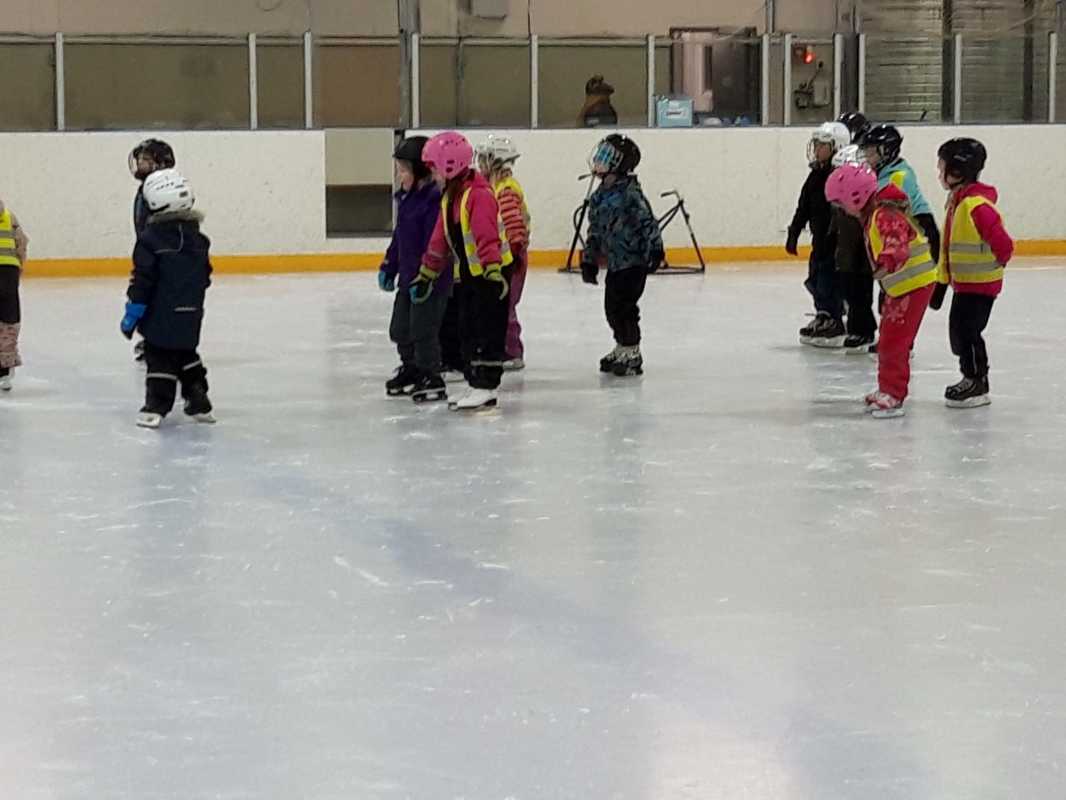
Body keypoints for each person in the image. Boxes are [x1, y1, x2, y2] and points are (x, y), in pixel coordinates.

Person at [825, 163, 937, 419]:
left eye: (841, 204)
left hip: (913, 285)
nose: (841, 210)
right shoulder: (875, 215)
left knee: (895, 341)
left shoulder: (883, 215)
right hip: (902, 286)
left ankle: (893, 394)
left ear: (855, 198)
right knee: (887, 339)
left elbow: (897, 244)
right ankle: (887, 388)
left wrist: (887, 261)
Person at [414, 131, 513, 412]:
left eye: (434, 168)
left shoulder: (477, 195)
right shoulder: (450, 197)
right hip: (471, 276)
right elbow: (439, 240)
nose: (432, 175)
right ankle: (475, 382)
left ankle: (486, 386)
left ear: (449, 166)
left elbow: (486, 236)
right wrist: (427, 272)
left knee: (487, 330)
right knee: (467, 328)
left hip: (492, 275)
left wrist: (492, 270)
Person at [120, 169, 214, 429]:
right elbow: (205, 276)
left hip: (160, 312)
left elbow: (143, 281)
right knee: (184, 351)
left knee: (159, 354)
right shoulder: (199, 240)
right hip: (192, 310)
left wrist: (132, 314)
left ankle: (156, 406)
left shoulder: (149, 240)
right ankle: (198, 398)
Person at [932, 137, 1013, 409]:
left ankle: (977, 380)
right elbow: (948, 247)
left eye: (942, 167)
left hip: (980, 287)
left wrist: (994, 267)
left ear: (957, 171)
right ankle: (970, 376)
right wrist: (941, 283)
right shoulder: (957, 202)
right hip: (964, 285)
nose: (939, 172)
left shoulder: (976, 205)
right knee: (958, 333)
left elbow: (1004, 245)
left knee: (968, 332)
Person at [580, 134, 662, 377]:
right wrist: (589, 259)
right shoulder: (598, 196)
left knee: (625, 307)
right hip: (615, 263)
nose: (599, 161)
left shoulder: (630, 193)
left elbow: (648, 222)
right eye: (600, 155)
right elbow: (595, 230)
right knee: (611, 308)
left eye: (606, 157)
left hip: (633, 262)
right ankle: (622, 346)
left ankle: (632, 351)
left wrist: (655, 248)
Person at [379, 136, 448, 403]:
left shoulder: (433, 202)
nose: (400, 176)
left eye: (404, 170)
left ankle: (431, 375)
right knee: (400, 328)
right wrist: (389, 265)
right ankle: (411, 368)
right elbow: (400, 238)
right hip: (408, 279)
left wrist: (428, 275)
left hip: (430, 281)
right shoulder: (406, 200)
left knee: (423, 331)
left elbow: (436, 244)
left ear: (420, 171)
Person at [787, 122, 850, 347]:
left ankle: (835, 317)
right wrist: (794, 231)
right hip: (820, 239)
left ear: (836, 147)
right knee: (815, 277)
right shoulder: (815, 175)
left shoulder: (841, 176)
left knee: (830, 280)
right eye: (816, 144)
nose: (817, 149)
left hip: (836, 241)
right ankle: (823, 313)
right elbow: (803, 205)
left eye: (822, 145)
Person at [476, 135, 530, 371]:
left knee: (505, 304)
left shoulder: (505, 190)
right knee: (498, 302)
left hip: (511, 257)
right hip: (506, 255)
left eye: (484, 159)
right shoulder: (495, 187)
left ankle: (511, 350)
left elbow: (513, 225)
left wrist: (514, 254)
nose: (480, 164)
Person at [833, 111, 878, 353]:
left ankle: (863, 329)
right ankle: (857, 326)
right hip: (847, 247)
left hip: (860, 247)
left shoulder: (864, 173)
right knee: (849, 286)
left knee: (861, 289)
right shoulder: (843, 170)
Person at [128, 139, 176, 363]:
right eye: (139, 159)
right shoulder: (146, 189)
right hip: (148, 252)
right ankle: (153, 339)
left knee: (161, 296)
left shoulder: (165, 191)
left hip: (161, 255)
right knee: (147, 294)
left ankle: (163, 341)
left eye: (146, 160)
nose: (140, 163)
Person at [0, 198, 28, 392]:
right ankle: (5, 368)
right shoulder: (9, 217)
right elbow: (22, 243)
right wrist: (19, 266)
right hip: (9, 272)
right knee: (9, 320)